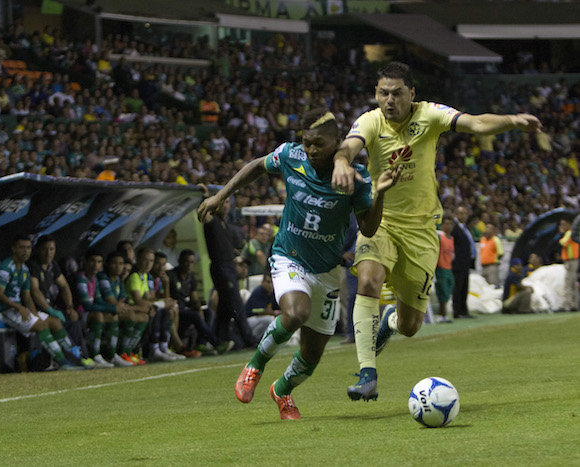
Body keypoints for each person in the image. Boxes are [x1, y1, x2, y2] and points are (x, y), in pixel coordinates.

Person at [330, 61, 542, 401]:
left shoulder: (429, 115)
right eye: (383, 93)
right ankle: (367, 373)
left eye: (397, 93)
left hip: (422, 231)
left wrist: (512, 121)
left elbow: (475, 122)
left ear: (411, 94)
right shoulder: (369, 121)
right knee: (368, 280)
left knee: (411, 325)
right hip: (380, 220)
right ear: (376, 94)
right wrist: (341, 161)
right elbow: (349, 146)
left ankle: (390, 321)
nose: (389, 100)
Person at [198, 107, 401, 420]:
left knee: (311, 354)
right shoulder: (291, 157)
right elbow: (256, 165)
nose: (311, 149)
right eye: (307, 142)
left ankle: (282, 390)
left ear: (337, 142)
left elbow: (369, 229)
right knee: (295, 313)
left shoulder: (353, 179)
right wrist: (221, 195)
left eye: (318, 143)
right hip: (289, 257)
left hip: (328, 271)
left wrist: (381, 195)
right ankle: (255, 366)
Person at [0, 234, 83, 371]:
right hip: (4, 310)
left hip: (18, 309)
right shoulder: (6, 267)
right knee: (41, 325)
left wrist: (35, 314)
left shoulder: (24, 269)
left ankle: (74, 358)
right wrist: (19, 307)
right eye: (22, 247)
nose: (26, 251)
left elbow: (27, 296)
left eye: (28, 247)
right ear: (14, 249)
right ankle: (63, 362)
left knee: (54, 322)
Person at [28, 235, 95, 368]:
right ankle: (71, 358)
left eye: (52, 249)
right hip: (37, 309)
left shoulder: (53, 265)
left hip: (50, 308)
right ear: (37, 250)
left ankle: (83, 355)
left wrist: (70, 307)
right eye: (45, 249)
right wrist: (50, 309)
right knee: (57, 321)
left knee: (73, 318)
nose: (49, 253)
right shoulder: (33, 265)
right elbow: (35, 291)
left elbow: (64, 285)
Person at [201, 194, 255, 349]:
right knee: (236, 302)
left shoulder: (226, 223)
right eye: (222, 202)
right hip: (221, 266)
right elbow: (204, 213)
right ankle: (249, 339)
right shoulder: (212, 220)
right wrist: (205, 197)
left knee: (225, 306)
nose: (225, 205)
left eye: (227, 202)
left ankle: (218, 339)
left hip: (229, 265)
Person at [74, 249, 119, 368]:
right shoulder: (80, 277)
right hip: (77, 314)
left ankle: (112, 355)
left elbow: (98, 300)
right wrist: (113, 308)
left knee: (112, 316)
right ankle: (95, 355)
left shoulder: (94, 279)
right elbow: (86, 305)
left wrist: (113, 309)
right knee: (99, 315)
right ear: (85, 262)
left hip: (87, 314)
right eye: (92, 261)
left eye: (99, 262)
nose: (95, 265)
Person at [451, 206, 476, 319]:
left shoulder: (465, 228)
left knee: (464, 287)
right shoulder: (454, 228)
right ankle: (457, 311)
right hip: (458, 263)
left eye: (465, 213)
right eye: (461, 213)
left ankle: (464, 311)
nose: (464, 216)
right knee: (458, 287)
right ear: (456, 214)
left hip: (465, 263)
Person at [338, 213, 359, 344]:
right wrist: (341, 253)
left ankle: (369, 330)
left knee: (367, 295)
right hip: (353, 259)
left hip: (371, 254)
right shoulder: (348, 211)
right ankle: (351, 332)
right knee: (352, 296)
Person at [243, 272, 279, 342]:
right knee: (269, 319)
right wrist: (275, 312)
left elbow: (278, 309)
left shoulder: (273, 293)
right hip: (249, 320)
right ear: (262, 282)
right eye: (268, 282)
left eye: (272, 282)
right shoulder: (258, 292)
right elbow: (259, 311)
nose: (270, 285)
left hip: (259, 321)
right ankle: (253, 339)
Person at [435, 215, 455, 323]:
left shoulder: (451, 238)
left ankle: (443, 315)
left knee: (447, 293)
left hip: (449, 269)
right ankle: (441, 315)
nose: (449, 226)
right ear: (442, 225)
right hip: (441, 269)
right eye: (446, 224)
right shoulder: (439, 236)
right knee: (442, 293)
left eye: (451, 224)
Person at [558, 218, 579, 312]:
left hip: (571, 261)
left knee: (568, 282)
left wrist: (562, 233)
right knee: (573, 283)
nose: (562, 226)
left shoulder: (570, 233)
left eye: (563, 224)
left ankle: (567, 305)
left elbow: (563, 242)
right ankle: (574, 304)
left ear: (569, 224)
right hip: (574, 260)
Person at [480, 223, 504, 287]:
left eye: (490, 228)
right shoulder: (482, 240)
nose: (487, 230)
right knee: (484, 286)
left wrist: (494, 260)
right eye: (487, 227)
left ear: (493, 230)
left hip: (492, 266)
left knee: (493, 285)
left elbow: (501, 253)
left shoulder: (496, 240)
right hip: (483, 266)